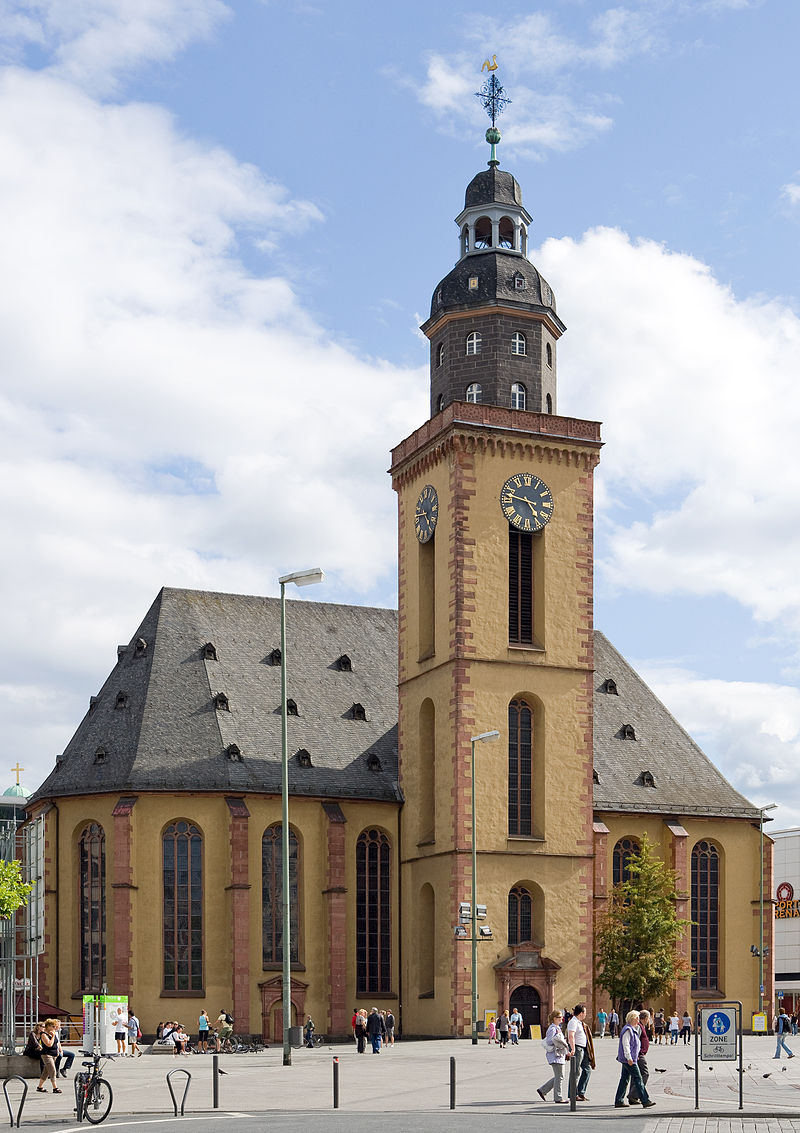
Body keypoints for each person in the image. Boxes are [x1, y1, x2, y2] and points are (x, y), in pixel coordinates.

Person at [614, 1010, 655, 1109]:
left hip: (630, 1058)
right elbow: (626, 1045)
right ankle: (645, 1100)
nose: (638, 1020)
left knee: (624, 1079)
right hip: (629, 1059)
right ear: (632, 1019)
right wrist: (629, 1057)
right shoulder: (628, 1030)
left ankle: (619, 1100)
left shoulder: (632, 1029)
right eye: (637, 1018)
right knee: (638, 1078)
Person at [537, 1009, 570, 1104]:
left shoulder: (557, 1027)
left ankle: (543, 1090)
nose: (561, 1019)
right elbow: (549, 1041)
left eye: (561, 1017)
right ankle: (558, 1097)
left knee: (559, 1076)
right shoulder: (552, 1028)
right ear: (554, 1018)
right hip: (555, 1055)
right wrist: (559, 1041)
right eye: (559, 1017)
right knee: (560, 1076)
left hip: (559, 1054)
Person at [567, 1004, 593, 1101]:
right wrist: (573, 1048)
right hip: (577, 1048)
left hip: (583, 1048)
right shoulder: (573, 1022)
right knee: (575, 1071)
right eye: (585, 1012)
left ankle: (581, 1092)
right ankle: (573, 1094)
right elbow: (571, 1036)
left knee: (587, 1069)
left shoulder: (579, 1022)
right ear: (581, 1013)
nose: (585, 1014)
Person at [628, 1009, 653, 1105]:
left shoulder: (640, 1026)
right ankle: (633, 1095)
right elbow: (634, 1041)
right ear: (646, 1018)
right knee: (644, 1073)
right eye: (648, 1018)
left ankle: (633, 1098)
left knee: (635, 1076)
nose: (648, 1020)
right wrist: (637, 1054)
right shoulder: (639, 1027)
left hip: (636, 1054)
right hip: (638, 1054)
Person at [37, 1019, 62, 1094]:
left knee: (46, 1071)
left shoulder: (52, 1033)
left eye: (55, 1026)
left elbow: (56, 1043)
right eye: (53, 1026)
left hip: (53, 1054)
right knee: (52, 1070)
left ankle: (39, 1087)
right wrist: (53, 1036)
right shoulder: (44, 1034)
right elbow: (49, 1044)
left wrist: (59, 1051)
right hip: (46, 1055)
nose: (55, 1028)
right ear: (48, 1026)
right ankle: (55, 1088)